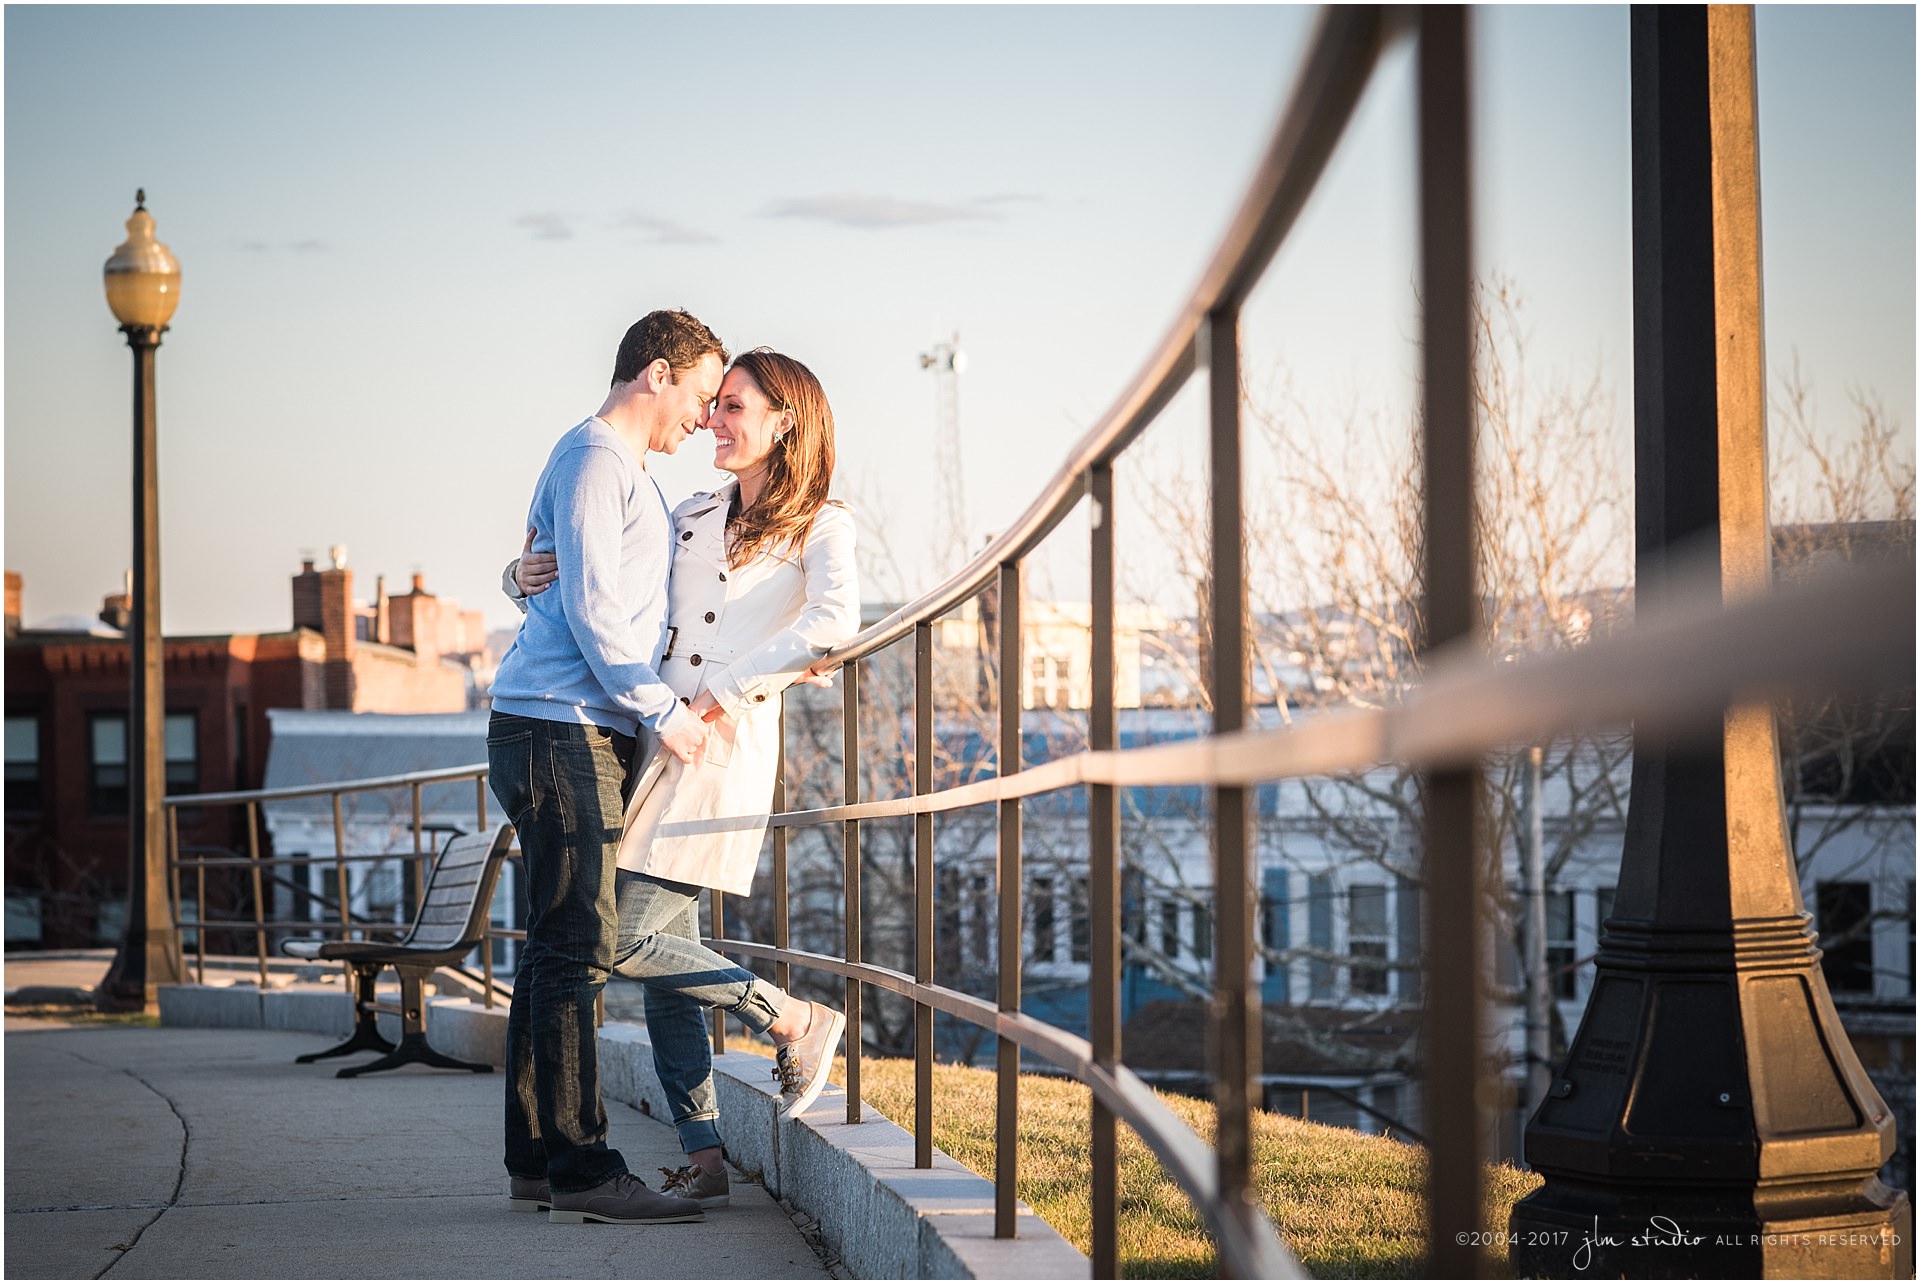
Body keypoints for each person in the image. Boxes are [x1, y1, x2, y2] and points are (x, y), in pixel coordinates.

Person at [506, 347, 858, 1210]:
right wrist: (516, 577)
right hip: (649, 741)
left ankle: (790, 1016)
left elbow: (834, 623)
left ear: (785, 421)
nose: (713, 421)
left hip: (718, 752)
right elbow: (604, 586)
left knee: (620, 936)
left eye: (734, 407)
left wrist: (734, 688)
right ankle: (703, 1154)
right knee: (667, 954)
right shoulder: (688, 511)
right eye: (716, 403)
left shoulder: (822, 524)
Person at [486, 310, 724, 1227]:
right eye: (702, 395)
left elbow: (560, 580)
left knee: (556, 944)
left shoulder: (622, 473)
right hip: (559, 731)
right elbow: (591, 608)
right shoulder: (595, 458)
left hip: (563, 727)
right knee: (576, 944)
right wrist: (664, 714)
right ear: (655, 375)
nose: (702, 418)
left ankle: (535, 1163)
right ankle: (585, 1167)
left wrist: (517, 574)